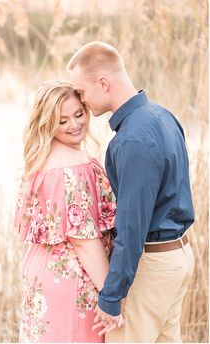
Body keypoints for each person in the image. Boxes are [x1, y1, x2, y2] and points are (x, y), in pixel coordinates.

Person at [67, 41, 195, 343]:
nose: (83, 102)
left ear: (103, 82)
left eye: (82, 93)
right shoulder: (162, 115)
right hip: (178, 255)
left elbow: (132, 227)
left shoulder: (131, 140)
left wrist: (111, 296)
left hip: (152, 266)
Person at [14, 80, 124, 343]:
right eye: (62, 121)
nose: (75, 125)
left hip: (41, 272)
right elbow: (84, 241)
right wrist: (112, 295)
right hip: (74, 279)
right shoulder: (73, 165)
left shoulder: (40, 161)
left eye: (78, 114)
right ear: (47, 123)